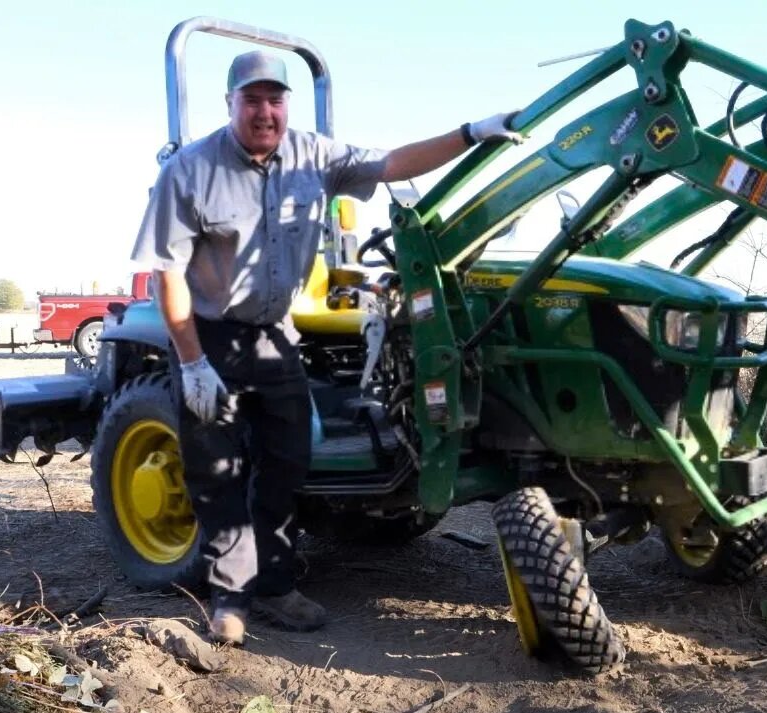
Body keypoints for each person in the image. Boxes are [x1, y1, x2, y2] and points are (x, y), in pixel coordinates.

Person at [129, 50, 524, 645]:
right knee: (217, 474)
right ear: (230, 102)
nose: (266, 111)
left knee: (287, 462)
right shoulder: (189, 170)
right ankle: (229, 599)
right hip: (212, 338)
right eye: (252, 99)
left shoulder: (314, 155)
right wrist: (192, 364)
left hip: (275, 335)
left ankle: (277, 585)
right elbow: (167, 273)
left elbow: (392, 162)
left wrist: (472, 133)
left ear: (287, 103)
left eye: (275, 99)